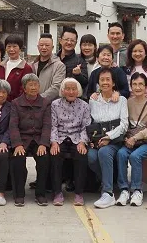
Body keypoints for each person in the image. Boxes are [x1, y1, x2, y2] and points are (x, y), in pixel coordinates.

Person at [115, 72, 147, 207]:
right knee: (121, 154)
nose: (138, 87)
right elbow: (124, 123)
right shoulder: (127, 102)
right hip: (130, 140)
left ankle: (137, 190)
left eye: (141, 84)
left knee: (135, 156)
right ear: (131, 86)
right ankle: (123, 189)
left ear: (146, 87)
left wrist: (135, 137)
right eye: (134, 84)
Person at [87, 68, 129, 209]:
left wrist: (108, 137)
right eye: (102, 80)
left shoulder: (121, 100)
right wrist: (90, 141)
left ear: (113, 83)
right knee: (90, 156)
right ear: (98, 83)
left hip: (115, 141)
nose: (105, 82)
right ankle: (109, 180)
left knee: (104, 152)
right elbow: (89, 123)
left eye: (108, 80)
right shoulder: (93, 101)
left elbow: (124, 125)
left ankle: (108, 193)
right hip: (97, 141)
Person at [10, 73, 52, 207]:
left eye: (36, 85)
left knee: (44, 158)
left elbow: (47, 125)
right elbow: (13, 126)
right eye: (30, 85)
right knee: (18, 158)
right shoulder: (16, 103)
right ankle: (19, 194)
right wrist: (17, 144)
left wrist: (44, 144)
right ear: (24, 88)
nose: (34, 88)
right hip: (22, 138)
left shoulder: (45, 103)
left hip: (39, 139)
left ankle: (40, 194)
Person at [49, 78, 91, 206]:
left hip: (77, 137)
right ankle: (57, 192)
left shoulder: (84, 105)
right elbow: (53, 126)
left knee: (81, 155)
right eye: (68, 89)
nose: (71, 91)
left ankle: (79, 193)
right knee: (55, 155)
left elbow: (86, 126)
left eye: (74, 89)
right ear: (63, 90)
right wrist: (54, 142)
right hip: (60, 137)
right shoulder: (55, 104)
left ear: (78, 91)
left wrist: (83, 142)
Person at [0, 35, 32, 100]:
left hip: (17, 106)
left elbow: (24, 90)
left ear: (20, 48)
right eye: (9, 46)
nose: (11, 49)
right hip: (0, 103)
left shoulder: (26, 68)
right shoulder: (1, 66)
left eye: (14, 46)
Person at [33, 33, 66, 101]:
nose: (44, 47)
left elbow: (56, 87)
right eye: (41, 45)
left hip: (50, 105)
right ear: (38, 47)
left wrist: (39, 99)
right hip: (32, 104)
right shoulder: (32, 64)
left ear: (53, 47)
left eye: (47, 45)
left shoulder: (59, 65)